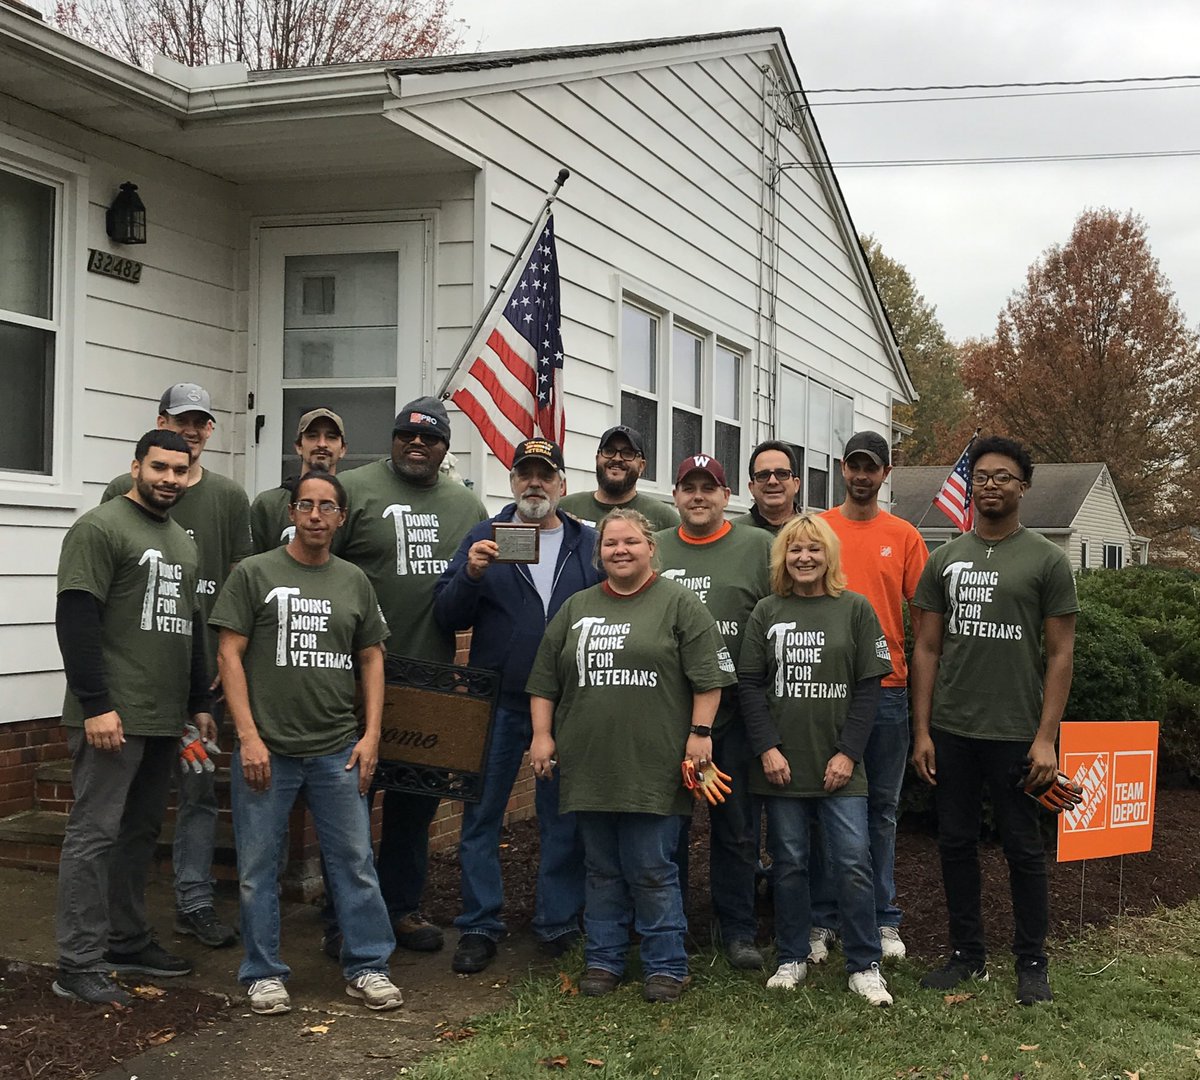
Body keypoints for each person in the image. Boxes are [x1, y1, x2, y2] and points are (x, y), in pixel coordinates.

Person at [211, 471, 404, 1015]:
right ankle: (264, 973)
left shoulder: (354, 581)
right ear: (291, 512)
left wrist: (371, 736)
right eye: (306, 505)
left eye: (327, 507)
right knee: (257, 866)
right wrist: (247, 737)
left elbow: (372, 658)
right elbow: (229, 655)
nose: (316, 515)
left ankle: (368, 966)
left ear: (341, 518)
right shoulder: (254, 573)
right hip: (266, 749)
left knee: (355, 862)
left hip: (336, 748)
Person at [526, 509, 736, 1003]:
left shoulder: (680, 604)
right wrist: (542, 735)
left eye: (631, 542)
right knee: (600, 868)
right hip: (589, 765)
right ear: (599, 554)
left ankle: (667, 964)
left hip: (654, 765)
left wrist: (700, 735)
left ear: (650, 548)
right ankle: (604, 958)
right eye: (610, 544)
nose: (620, 550)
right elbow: (543, 682)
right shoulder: (576, 608)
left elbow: (709, 680)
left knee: (651, 867)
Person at [910, 435, 1077, 1006]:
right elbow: (926, 649)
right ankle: (966, 955)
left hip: (1015, 732)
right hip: (953, 728)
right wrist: (923, 731)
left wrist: (1046, 739)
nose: (990, 484)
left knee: (1023, 848)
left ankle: (1032, 962)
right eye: (982, 475)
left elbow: (1060, 655)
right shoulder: (944, 559)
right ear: (970, 484)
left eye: (1004, 476)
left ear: (1023, 486)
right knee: (954, 843)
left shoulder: (1047, 560)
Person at [53, 430, 213, 1006]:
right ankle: (77, 960)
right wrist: (95, 703)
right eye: (159, 467)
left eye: (180, 469)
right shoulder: (100, 529)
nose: (169, 478)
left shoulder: (182, 542)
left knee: (140, 833)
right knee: (94, 835)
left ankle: (126, 938)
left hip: (163, 716)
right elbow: (76, 618)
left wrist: (199, 701)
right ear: (136, 467)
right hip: (111, 716)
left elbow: (192, 628)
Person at [434, 438, 597, 974]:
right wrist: (472, 573)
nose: (535, 484)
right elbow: (448, 615)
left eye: (545, 476)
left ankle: (557, 922)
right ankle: (480, 924)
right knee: (481, 816)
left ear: (562, 487)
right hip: (498, 701)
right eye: (525, 474)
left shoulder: (586, 543)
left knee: (561, 818)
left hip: (569, 704)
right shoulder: (486, 537)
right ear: (512, 484)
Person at [334, 396, 488, 953]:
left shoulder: (467, 506)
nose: (417, 444)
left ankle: (400, 908)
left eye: (430, 438)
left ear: (445, 448)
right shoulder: (355, 491)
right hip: (349, 677)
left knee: (412, 803)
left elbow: (477, 588)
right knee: (348, 800)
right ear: (393, 439)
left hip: (430, 678)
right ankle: (344, 917)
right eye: (406, 435)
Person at [102, 382, 251, 949]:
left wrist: (220, 653)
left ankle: (192, 902)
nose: (192, 430)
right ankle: (118, 919)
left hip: (202, 680)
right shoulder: (124, 491)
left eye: (201, 422)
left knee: (197, 790)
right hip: (134, 678)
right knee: (121, 806)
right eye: (180, 419)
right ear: (161, 420)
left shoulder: (230, 498)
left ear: (211, 431)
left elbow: (237, 581)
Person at [739, 514, 894, 1006]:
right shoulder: (766, 610)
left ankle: (864, 964)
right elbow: (748, 685)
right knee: (789, 864)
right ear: (782, 558)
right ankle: (791, 955)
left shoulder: (855, 609)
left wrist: (848, 753)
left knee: (852, 862)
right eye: (794, 549)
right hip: (781, 766)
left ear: (830, 556)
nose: (804, 557)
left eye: (814, 549)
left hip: (840, 768)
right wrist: (766, 747)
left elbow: (870, 690)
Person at [807, 431, 928, 964]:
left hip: (887, 692)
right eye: (854, 466)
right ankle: (821, 918)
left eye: (871, 468)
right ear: (841, 468)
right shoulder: (817, 530)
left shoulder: (903, 536)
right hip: (821, 689)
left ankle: (883, 918)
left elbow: (924, 626)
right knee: (818, 806)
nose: (861, 475)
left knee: (881, 810)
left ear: (885, 474)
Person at [654, 453, 772, 970]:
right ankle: (669, 927)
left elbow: (779, 620)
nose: (698, 496)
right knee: (668, 827)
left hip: (736, 715)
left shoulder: (758, 547)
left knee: (738, 828)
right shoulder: (653, 548)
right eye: (688, 487)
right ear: (675, 496)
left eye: (709, 487)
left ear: (728, 497)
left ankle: (738, 929)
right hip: (667, 714)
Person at [250, 408, 347, 553]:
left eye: (331, 437)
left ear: (343, 449)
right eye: (312, 436)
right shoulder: (269, 504)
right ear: (299, 447)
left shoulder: (353, 503)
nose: (321, 444)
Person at [557, 425, 679, 530]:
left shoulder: (663, 518)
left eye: (627, 453)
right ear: (597, 459)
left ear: (641, 466)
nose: (617, 458)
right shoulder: (564, 508)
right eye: (609, 451)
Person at [731, 441, 802, 534]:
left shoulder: (816, 534)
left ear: (796, 484)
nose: (772, 481)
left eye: (782, 474)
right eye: (763, 475)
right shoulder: (732, 534)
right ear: (751, 487)